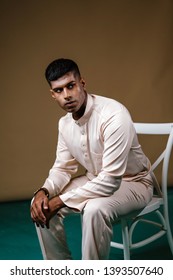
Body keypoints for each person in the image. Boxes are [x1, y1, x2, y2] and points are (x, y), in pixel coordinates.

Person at [30, 58, 155, 260]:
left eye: (71, 86)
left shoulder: (114, 114)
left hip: (135, 183)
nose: (67, 95)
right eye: (59, 90)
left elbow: (110, 181)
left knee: (94, 209)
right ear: (53, 95)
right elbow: (63, 168)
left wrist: (60, 201)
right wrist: (44, 191)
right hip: (94, 179)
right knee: (40, 206)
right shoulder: (64, 124)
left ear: (82, 83)